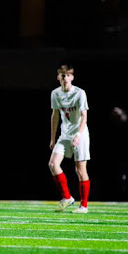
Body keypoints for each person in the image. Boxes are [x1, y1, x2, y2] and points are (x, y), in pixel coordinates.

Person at [48, 64, 91, 213]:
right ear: (58, 77)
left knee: (80, 170)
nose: (64, 77)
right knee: (53, 164)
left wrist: (78, 135)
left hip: (80, 134)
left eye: (67, 75)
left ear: (72, 77)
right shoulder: (55, 94)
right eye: (62, 75)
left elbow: (84, 116)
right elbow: (54, 116)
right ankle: (67, 197)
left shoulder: (80, 93)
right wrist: (53, 138)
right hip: (65, 134)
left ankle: (84, 206)